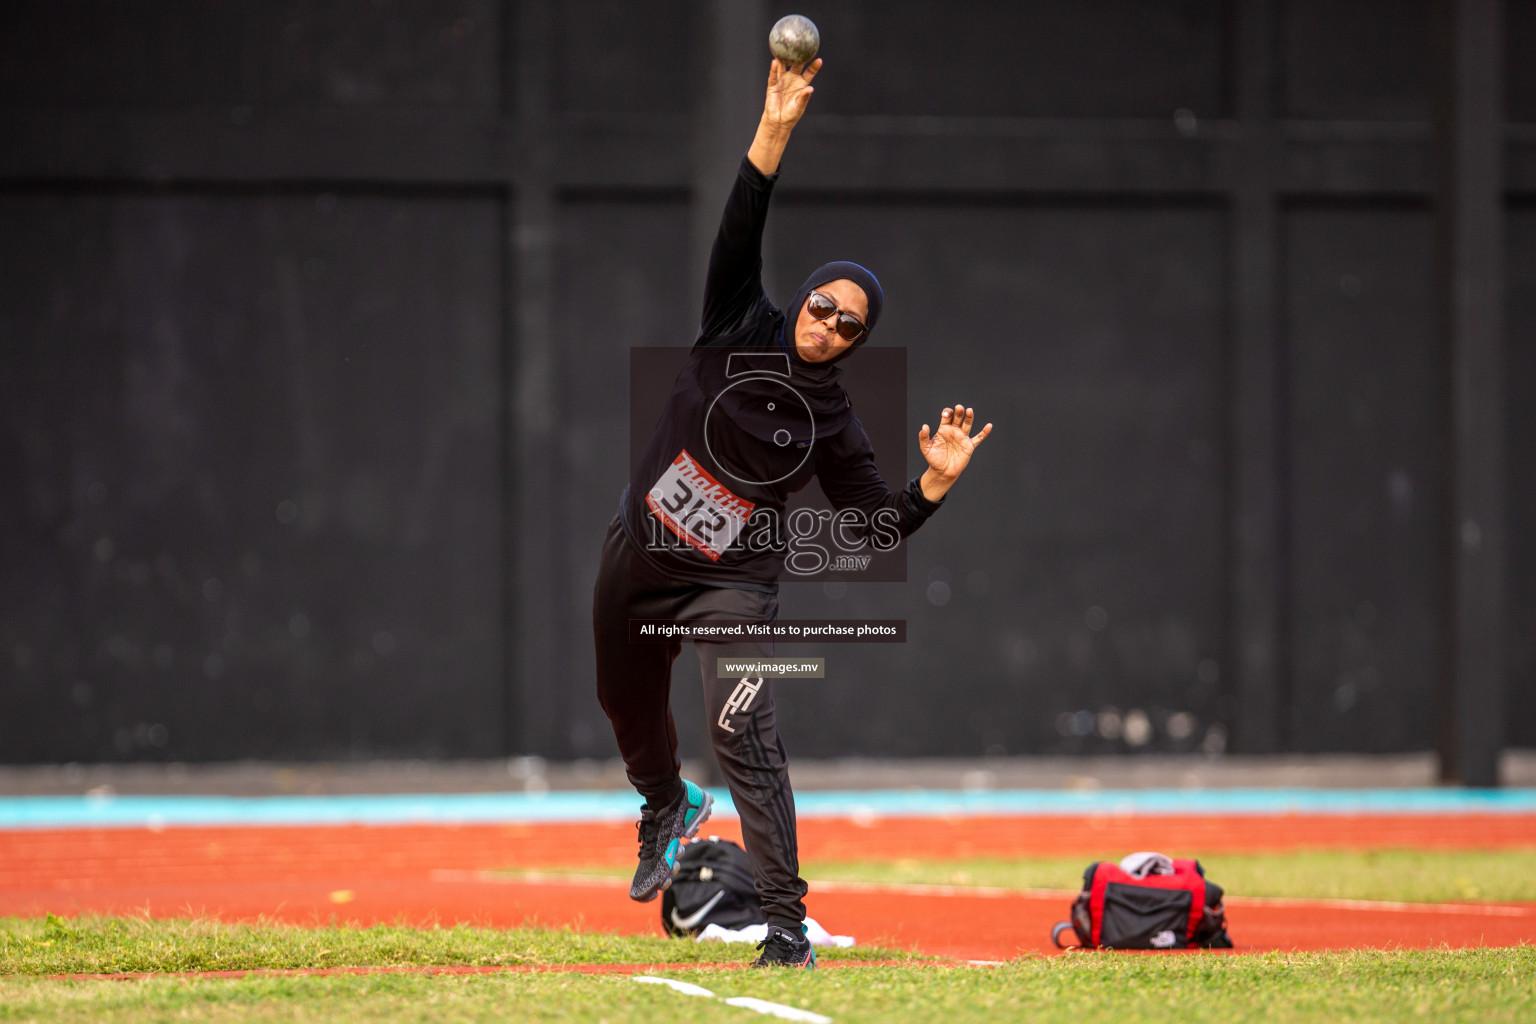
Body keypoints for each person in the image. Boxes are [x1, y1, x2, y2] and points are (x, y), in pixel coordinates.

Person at [592, 55, 992, 969]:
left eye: (852, 326)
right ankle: (665, 803)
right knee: (621, 696)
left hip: (730, 588)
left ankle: (783, 926)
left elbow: (873, 529)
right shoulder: (737, 319)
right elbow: (743, 219)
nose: (831, 327)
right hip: (639, 545)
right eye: (825, 306)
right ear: (803, 297)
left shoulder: (836, 423)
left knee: (745, 736)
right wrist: (773, 130)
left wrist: (932, 484)